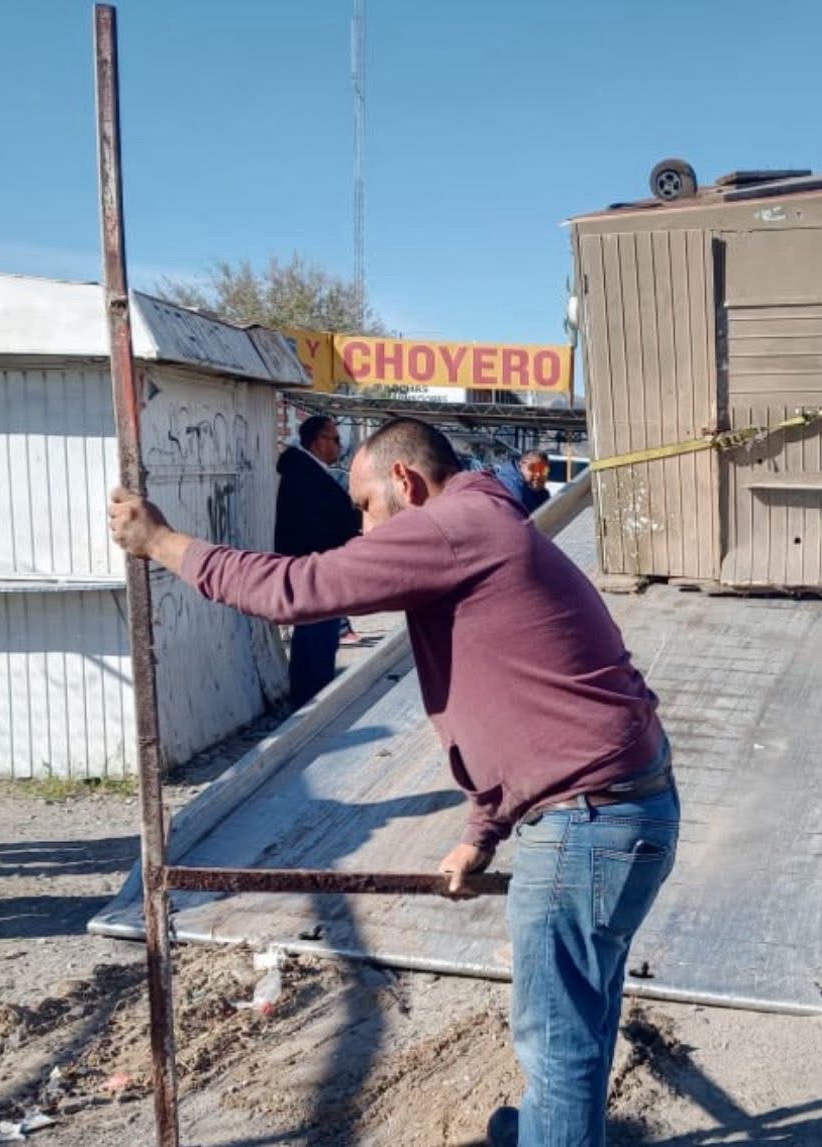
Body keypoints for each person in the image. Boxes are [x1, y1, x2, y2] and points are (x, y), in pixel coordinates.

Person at [109, 417, 679, 1147]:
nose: (361, 524)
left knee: (558, 1037)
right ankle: (548, 1130)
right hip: (621, 809)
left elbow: (295, 587)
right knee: (580, 1014)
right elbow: (510, 702)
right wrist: (483, 831)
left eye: (365, 504)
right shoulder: (482, 523)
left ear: (405, 484)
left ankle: (554, 1131)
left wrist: (161, 542)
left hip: (590, 822)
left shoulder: (449, 526)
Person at [273, 415, 361, 708]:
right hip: (314, 574)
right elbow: (317, 525)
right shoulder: (305, 475)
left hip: (317, 571)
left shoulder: (310, 471)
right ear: (319, 441)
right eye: (335, 439)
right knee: (315, 645)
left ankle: (312, 701)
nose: (339, 446)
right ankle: (309, 707)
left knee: (320, 643)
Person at [494, 449, 552, 515]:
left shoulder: (534, 487)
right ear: (522, 464)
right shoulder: (510, 486)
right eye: (533, 468)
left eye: (543, 470)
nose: (538, 474)